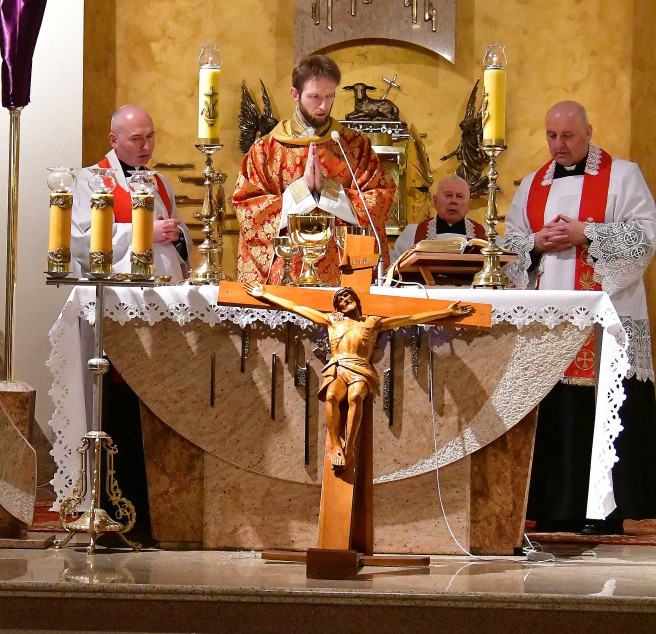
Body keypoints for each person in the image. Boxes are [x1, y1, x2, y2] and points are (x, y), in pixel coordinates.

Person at [504, 101, 656, 535]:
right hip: (548, 322)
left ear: (588, 132)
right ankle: (554, 508)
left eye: (568, 136)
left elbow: (645, 236)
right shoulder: (533, 183)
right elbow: (511, 246)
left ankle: (604, 513)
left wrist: (585, 232)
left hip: (604, 322)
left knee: (597, 414)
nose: (558, 145)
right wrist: (534, 243)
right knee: (558, 414)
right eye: (551, 136)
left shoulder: (623, 175)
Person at [244, 284, 470, 468]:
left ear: (356, 299)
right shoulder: (332, 321)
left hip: (360, 366)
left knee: (355, 398)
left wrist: (446, 313)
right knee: (331, 396)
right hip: (338, 365)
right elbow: (295, 307)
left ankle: (349, 446)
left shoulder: (373, 322)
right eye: (340, 300)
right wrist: (266, 295)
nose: (344, 301)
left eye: (347, 297)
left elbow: (410, 318)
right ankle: (336, 445)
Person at [233, 54, 395, 285]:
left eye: (330, 96)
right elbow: (248, 210)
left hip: (342, 276)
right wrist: (302, 190)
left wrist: (327, 191)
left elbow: (379, 200)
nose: (323, 106)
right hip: (286, 274)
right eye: (314, 97)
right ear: (294, 94)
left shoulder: (355, 146)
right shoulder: (265, 151)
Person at [71, 105, 192, 279]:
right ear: (113, 140)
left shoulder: (160, 182)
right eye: (136, 139)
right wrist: (143, 232)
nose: (146, 146)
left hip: (166, 289)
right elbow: (84, 241)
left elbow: (180, 234)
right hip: (117, 293)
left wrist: (177, 235)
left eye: (150, 136)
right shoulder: (92, 180)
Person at [390, 175, 486, 261]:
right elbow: (396, 269)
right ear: (435, 201)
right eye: (448, 195)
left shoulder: (486, 235)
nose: (453, 201)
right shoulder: (412, 234)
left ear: (469, 205)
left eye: (459, 196)